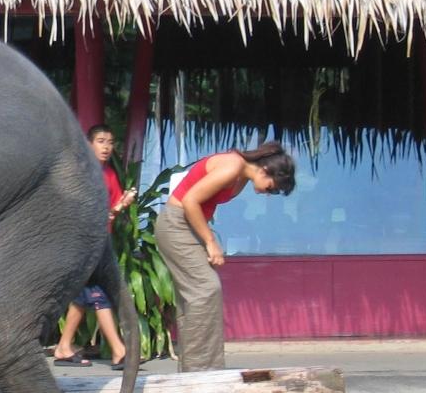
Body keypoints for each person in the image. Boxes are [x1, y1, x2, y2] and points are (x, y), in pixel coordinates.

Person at [155, 141, 296, 372]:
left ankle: (197, 370)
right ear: (265, 170)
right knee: (206, 289)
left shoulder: (241, 175)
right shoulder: (233, 166)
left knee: (196, 296)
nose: (268, 193)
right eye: (272, 188)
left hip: (188, 226)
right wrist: (210, 242)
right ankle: (201, 371)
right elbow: (190, 200)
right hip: (176, 224)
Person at [52, 125, 136, 369]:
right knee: (98, 293)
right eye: (101, 141)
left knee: (83, 296)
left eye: (110, 142)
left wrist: (122, 204)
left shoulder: (108, 174)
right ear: (89, 144)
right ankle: (119, 351)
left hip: (99, 241)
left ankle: (64, 347)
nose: (107, 147)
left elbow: (110, 213)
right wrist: (118, 208)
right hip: (83, 241)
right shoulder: (82, 172)